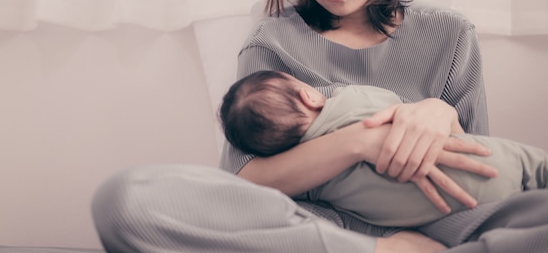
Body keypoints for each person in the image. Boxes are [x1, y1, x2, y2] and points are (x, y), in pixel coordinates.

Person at [92, 0, 548, 253]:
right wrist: (359, 144)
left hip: (444, 225)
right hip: (316, 233)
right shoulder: (272, 44)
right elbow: (244, 185)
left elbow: (482, 169)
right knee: (125, 199)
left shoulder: (450, 35)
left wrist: (441, 111)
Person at [219, 69, 548, 227]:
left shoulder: (311, 184)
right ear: (309, 95)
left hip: (460, 218)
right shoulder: (352, 99)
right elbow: (399, 108)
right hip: (496, 163)